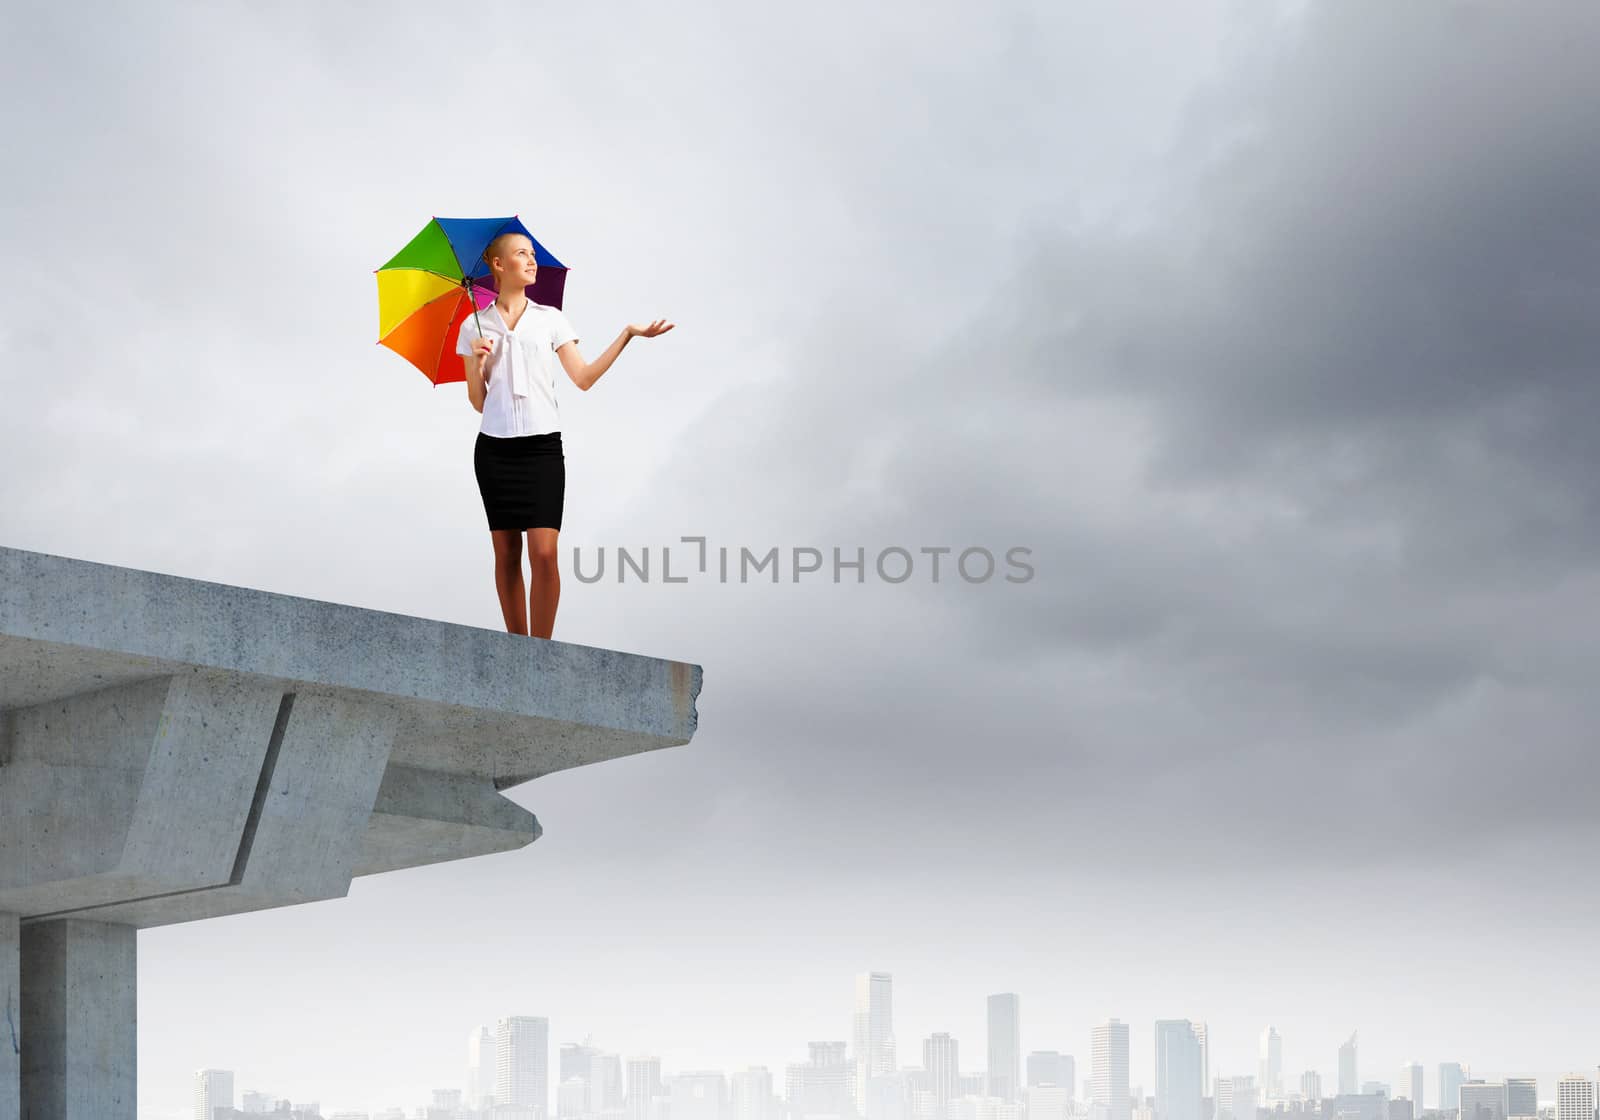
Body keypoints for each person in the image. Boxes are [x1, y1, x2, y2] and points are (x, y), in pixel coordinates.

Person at [457, 231, 673, 640]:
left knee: (544, 552)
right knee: (506, 554)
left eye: (533, 254)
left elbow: (584, 378)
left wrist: (627, 335)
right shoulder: (474, 324)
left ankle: (541, 652)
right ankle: (516, 647)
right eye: (522, 254)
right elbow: (479, 402)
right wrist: (476, 362)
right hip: (494, 450)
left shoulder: (550, 318)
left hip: (541, 448)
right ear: (498, 265)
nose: (532, 261)